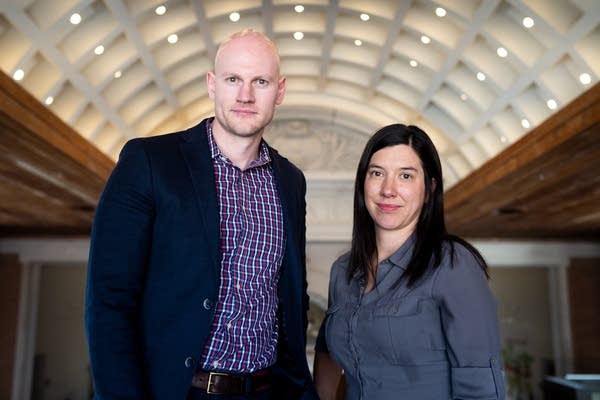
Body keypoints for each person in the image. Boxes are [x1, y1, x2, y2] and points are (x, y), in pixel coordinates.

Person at [85, 29, 318, 400]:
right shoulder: (149, 163)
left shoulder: (291, 181)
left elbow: (291, 294)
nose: (245, 95)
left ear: (280, 90)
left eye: (260, 81)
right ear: (212, 85)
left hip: (266, 390)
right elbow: (110, 299)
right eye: (233, 80)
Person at [313, 124, 505, 400]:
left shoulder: (453, 265)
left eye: (405, 176)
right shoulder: (343, 271)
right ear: (363, 182)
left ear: (429, 188)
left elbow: (481, 390)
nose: (388, 190)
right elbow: (328, 354)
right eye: (377, 173)